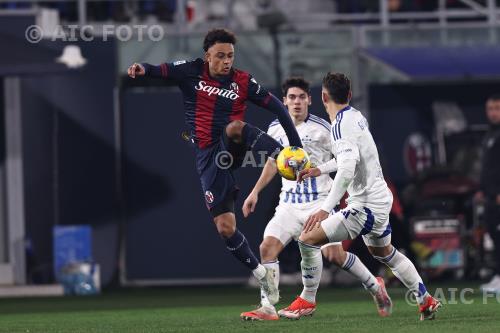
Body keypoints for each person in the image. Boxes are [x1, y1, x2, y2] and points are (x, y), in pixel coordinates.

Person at [127, 28, 303, 304]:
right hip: (209, 156)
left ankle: (283, 155)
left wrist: (296, 148)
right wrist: (141, 68)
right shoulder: (190, 71)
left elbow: (279, 108)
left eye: (230, 56)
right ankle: (261, 274)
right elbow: (159, 70)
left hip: (233, 144)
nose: (226, 61)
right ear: (207, 55)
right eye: (220, 56)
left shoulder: (243, 81)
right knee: (225, 227)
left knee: (234, 127)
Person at [240, 77, 392, 321]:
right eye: (291, 97)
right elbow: (272, 162)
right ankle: (268, 307)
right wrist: (255, 191)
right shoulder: (275, 128)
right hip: (288, 204)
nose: (297, 102)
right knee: (267, 248)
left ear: (311, 99)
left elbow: (345, 161)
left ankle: (375, 286)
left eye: (301, 97)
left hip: (319, 203)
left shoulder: (324, 129)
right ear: (284, 101)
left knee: (335, 256)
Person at [296, 72, 441, 321]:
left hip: (364, 206)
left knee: (307, 239)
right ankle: (425, 299)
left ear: (322, 97)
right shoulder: (355, 116)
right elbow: (347, 159)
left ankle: (307, 301)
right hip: (380, 198)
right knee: (385, 253)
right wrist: (319, 169)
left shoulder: (340, 127)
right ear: (349, 96)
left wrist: (325, 208)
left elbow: (347, 169)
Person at [476, 94, 500, 293]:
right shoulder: (490, 134)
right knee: (494, 234)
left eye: (497, 108)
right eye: (490, 108)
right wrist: (483, 190)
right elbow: (488, 167)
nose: (493, 113)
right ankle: (498, 275)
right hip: (491, 195)